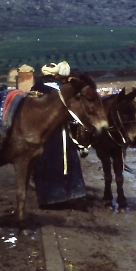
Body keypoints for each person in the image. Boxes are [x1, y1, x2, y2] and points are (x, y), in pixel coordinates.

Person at [31, 61, 86, 205]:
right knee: (64, 161)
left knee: (45, 162)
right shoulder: (62, 89)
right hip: (60, 132)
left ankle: (48, 197)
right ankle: (68, 194)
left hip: (43, 132)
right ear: (57, 76)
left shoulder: (35, 87)